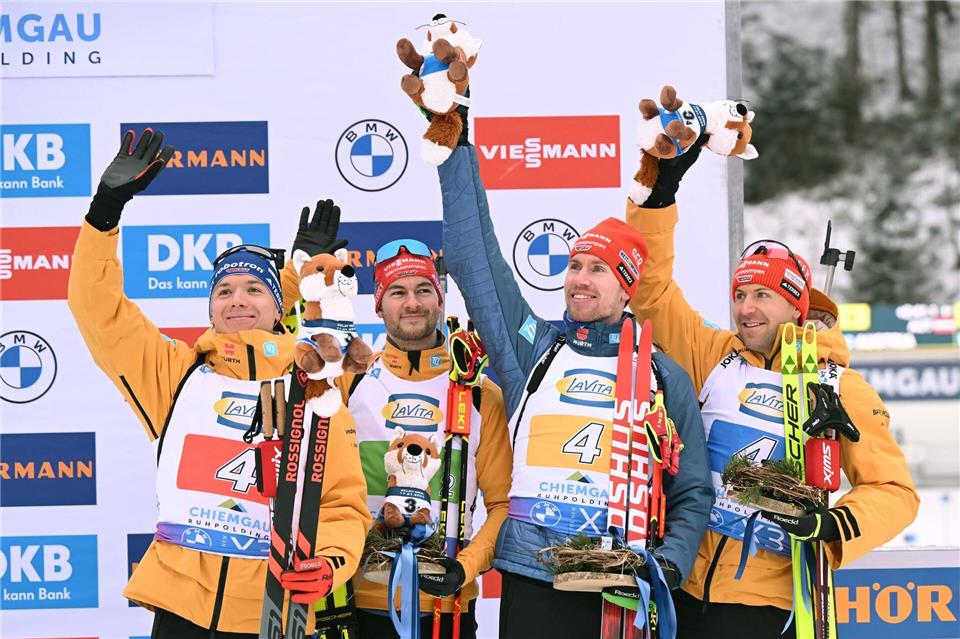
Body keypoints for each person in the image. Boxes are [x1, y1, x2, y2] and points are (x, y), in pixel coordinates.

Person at [67, 129, 371, 638]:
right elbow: (98, 311)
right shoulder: (176, 375)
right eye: (224, 290)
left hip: (276, 607)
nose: (237, 300)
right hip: (181, 605)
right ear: (209, 305)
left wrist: (333, 561)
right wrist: (104, 213)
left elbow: (341, 501)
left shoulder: (313, 385)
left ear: (281, 308)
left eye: (255, 289)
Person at [429, 105, 714, 637]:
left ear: (627, 285)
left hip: (619, 583)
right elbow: (475, 260)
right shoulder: (532, 350)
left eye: (598, 269)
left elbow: (692, 490)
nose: (580, 279)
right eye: (575, 265)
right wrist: (455, 142)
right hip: (534, 579)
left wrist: (669, 564)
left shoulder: (662, 375)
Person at [623, 138, 920, 638]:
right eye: (739, 294)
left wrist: (835, 525)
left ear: (795, 307)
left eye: (762, 294)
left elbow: (895, 491)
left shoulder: (838, 385)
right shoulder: (715, 355)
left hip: (767, 604)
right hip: (685, 588)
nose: (745, 308)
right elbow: (651, 291)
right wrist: (661, 192)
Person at [318, 239, 511, 638]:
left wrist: (464, 567)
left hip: (447, 605)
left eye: (424, 290)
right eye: (398, 292)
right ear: (378, 304)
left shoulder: (478, 393)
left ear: (439, 301)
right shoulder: (346, 383)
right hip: (359, 601)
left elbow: (501, 504)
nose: (412, 303)